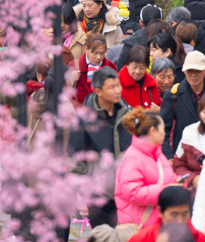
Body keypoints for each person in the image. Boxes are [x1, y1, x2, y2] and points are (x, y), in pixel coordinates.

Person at [68, 67, 133, 228]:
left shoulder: (129, 114)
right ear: (98, 91)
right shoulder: (84, 120)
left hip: (128, 191)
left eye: (118, 85)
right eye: (112, 87)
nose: (118, 90)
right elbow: (76, 160)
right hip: (99, 193)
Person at [115, 107, 176, 229]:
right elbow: (132, 193)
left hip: (157, 225)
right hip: (140, 228)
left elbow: (167, 179)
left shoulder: (157, 154)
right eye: (163, 129)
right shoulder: (133, 158)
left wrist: (179, 183)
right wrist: (166, 191)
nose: (164, 133)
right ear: (153, 131)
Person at [160, 51, 205, 160]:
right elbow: (162, 131)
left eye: (197, 71)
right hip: (184, 158)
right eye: (189, 71)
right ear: (183, 69)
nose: (193, 75)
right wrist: (169, 157)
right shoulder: (173, 95)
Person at [126, 185, 205, 242]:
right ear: (160, 211)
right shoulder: (141, 239)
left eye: (184, 214)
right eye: (174, 215)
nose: (180, 221)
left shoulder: (199, 238)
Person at [75, 34, 118, 105]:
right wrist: (70, 82)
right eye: (95, 53)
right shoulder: (75, 66)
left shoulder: (110, 67)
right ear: (86, 49)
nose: (98, 57)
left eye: (102, 53)